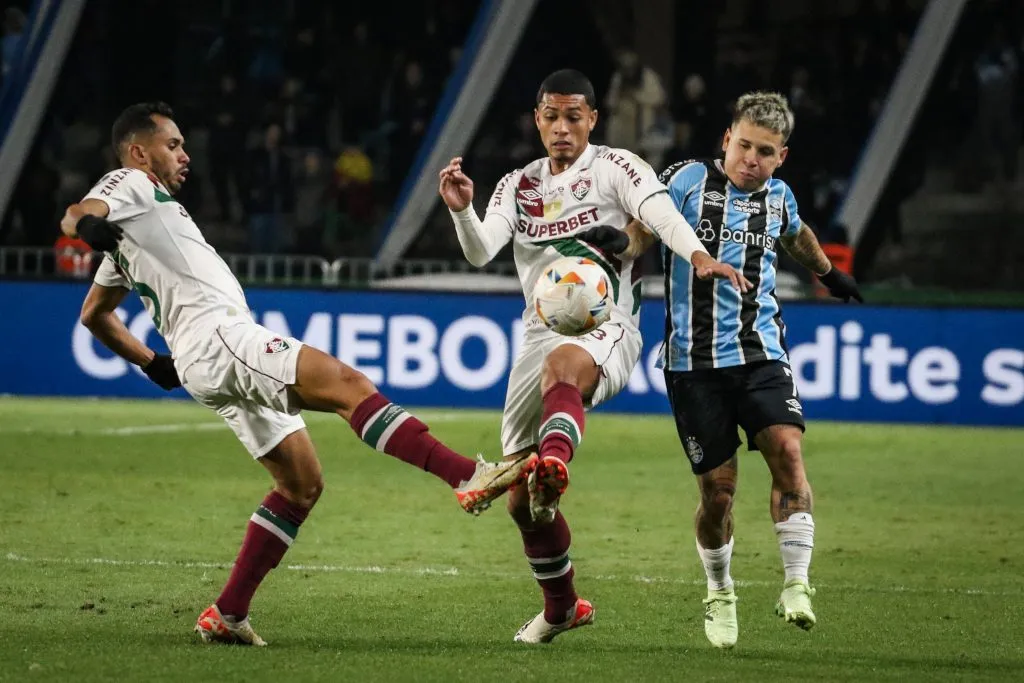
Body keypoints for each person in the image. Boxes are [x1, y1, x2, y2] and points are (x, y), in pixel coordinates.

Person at [60, 102, 536, 647]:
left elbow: (94, 315)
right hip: (220, 339)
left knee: (301, 484)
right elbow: (75, 214)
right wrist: (87, 224)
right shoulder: (132, 183)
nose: (185, 155)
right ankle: (466, 476)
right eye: (173, 145)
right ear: (140, 152)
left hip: (204, 354)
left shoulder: (137, 226)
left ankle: (228, 615)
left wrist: (153, 363)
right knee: (349, 387)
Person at [438, 69, 750, 644]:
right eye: (551, 117)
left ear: (593, 120)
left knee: (564, 371)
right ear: (537, 120)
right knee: (520, 504)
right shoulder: (517, 185)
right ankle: (562, 607)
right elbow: (481, 251)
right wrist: (462, 210)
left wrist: (700, 256)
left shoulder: (616, 168)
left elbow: (658, 212)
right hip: (539, 332)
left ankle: (554, 464)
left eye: (573, 117)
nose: (562, 128)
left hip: (608, 325)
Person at [579, 91, 862, 649]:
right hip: (693, 365)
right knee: (719, 492)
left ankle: (796, 584)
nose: (751, 159)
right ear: (727, 139)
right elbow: (646, 227)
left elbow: (797, 234)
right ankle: (720, 590)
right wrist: (622, 243)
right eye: (744, 146)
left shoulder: (779, 197)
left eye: (766, 152)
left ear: (781, 157)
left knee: (789, 452)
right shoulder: (686, 180)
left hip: (761, 353)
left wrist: (829, 274)